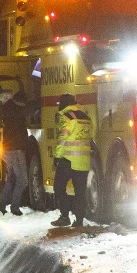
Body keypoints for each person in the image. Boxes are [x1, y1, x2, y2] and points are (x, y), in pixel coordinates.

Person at [51, 93, 93, 227]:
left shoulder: (66, 117)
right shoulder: (86, 117)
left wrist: (57, 156)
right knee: (80, 191)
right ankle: (79, 220)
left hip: (68, 159)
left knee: (58, 187)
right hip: (84, 160)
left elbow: (63, 138)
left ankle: (64, 216)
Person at [0, 90, 31, 216]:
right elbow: (27, 110)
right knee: (23, 180)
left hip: (7, 149)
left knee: (11, 179)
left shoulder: (8, 108)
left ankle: (1, 206)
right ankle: (15, 207)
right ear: (20, 102)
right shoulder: (15, 110)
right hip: (15, 150)